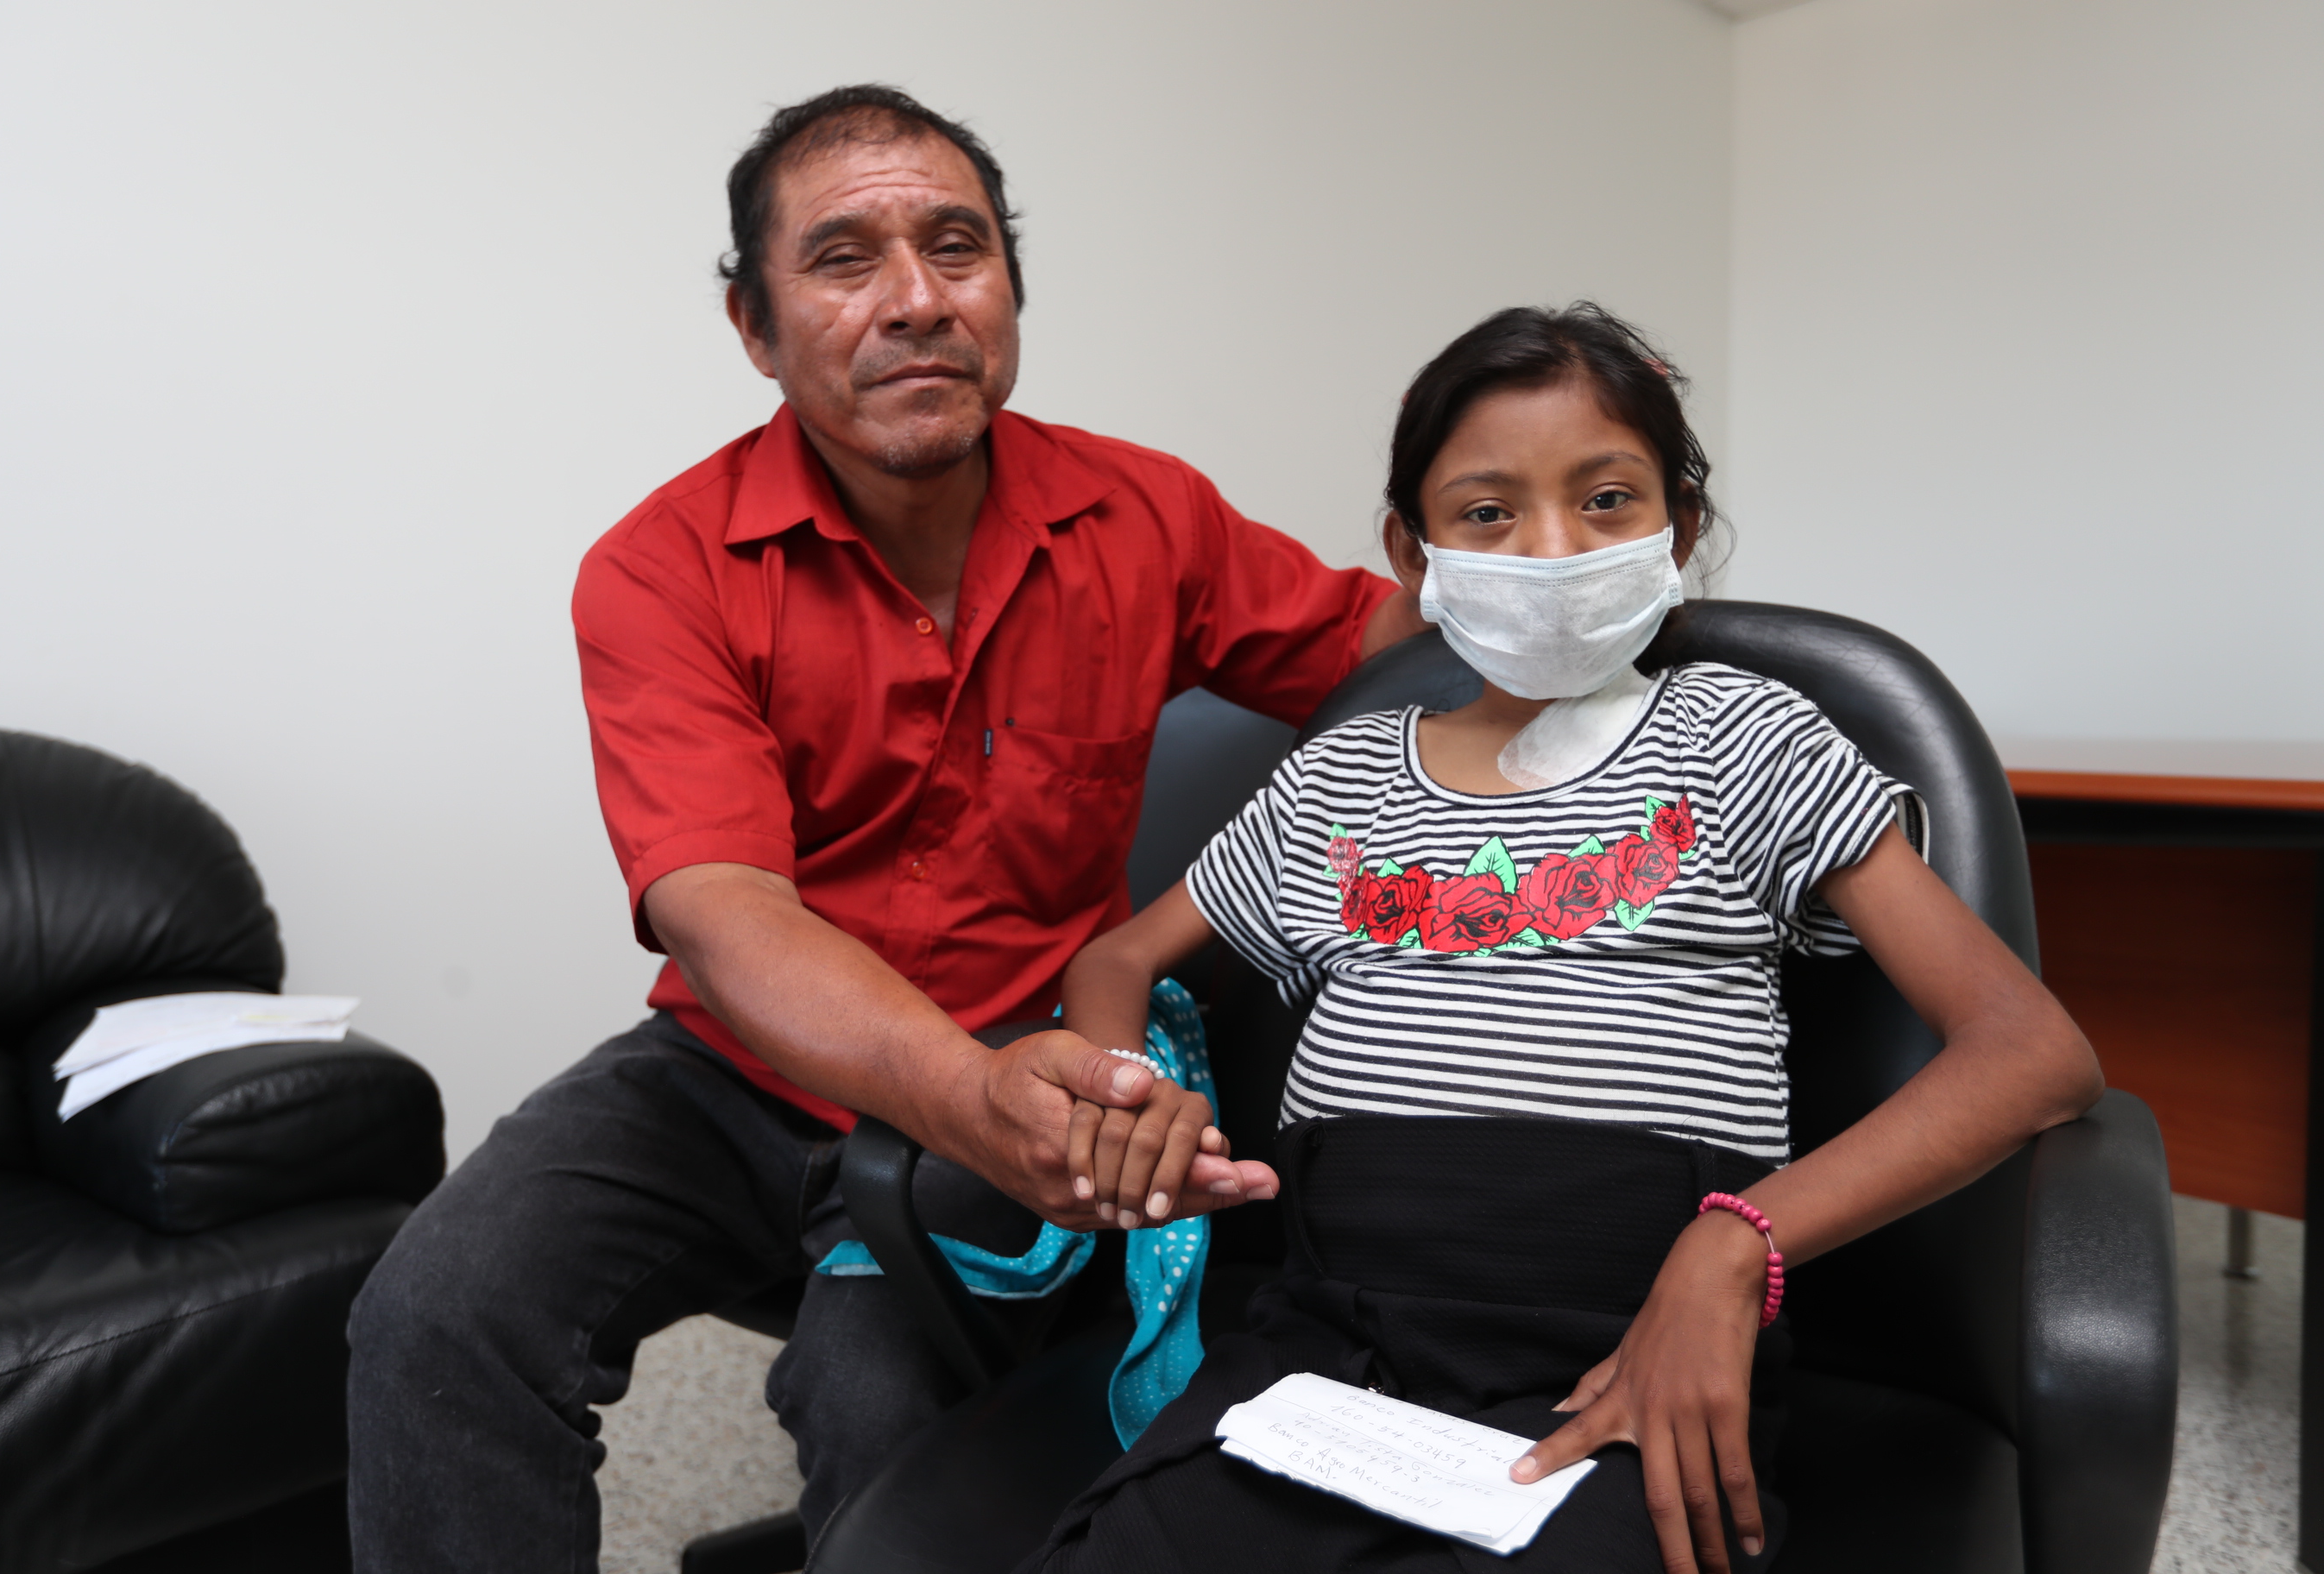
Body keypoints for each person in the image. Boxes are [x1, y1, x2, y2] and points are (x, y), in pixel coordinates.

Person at [343, 84, 1427, 1571]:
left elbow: (1386, 658)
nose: (916, 299)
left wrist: (1552, 544)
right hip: (738, 1070)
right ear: (754, 325)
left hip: (1026, 1050)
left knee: (878, 1409)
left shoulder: (1144, 517)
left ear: (1010, 291)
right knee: (438, 1317)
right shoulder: (661, 570)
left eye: (957, 247)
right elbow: (730, 917)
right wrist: (966, 1104)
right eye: (845, 258)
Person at [1025, 304, 2105, 1573]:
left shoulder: (1746, 741)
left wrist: (1732, 1243)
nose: (1550, 549)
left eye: (1606, 500)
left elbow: (2031, 1052)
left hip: (1636, 1359)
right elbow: (1113, 961)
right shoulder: (1346, 779)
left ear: (1679, 530)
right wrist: (1126, 1093)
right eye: (1488, 513)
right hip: (1328, 1353)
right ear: (1412, 551)